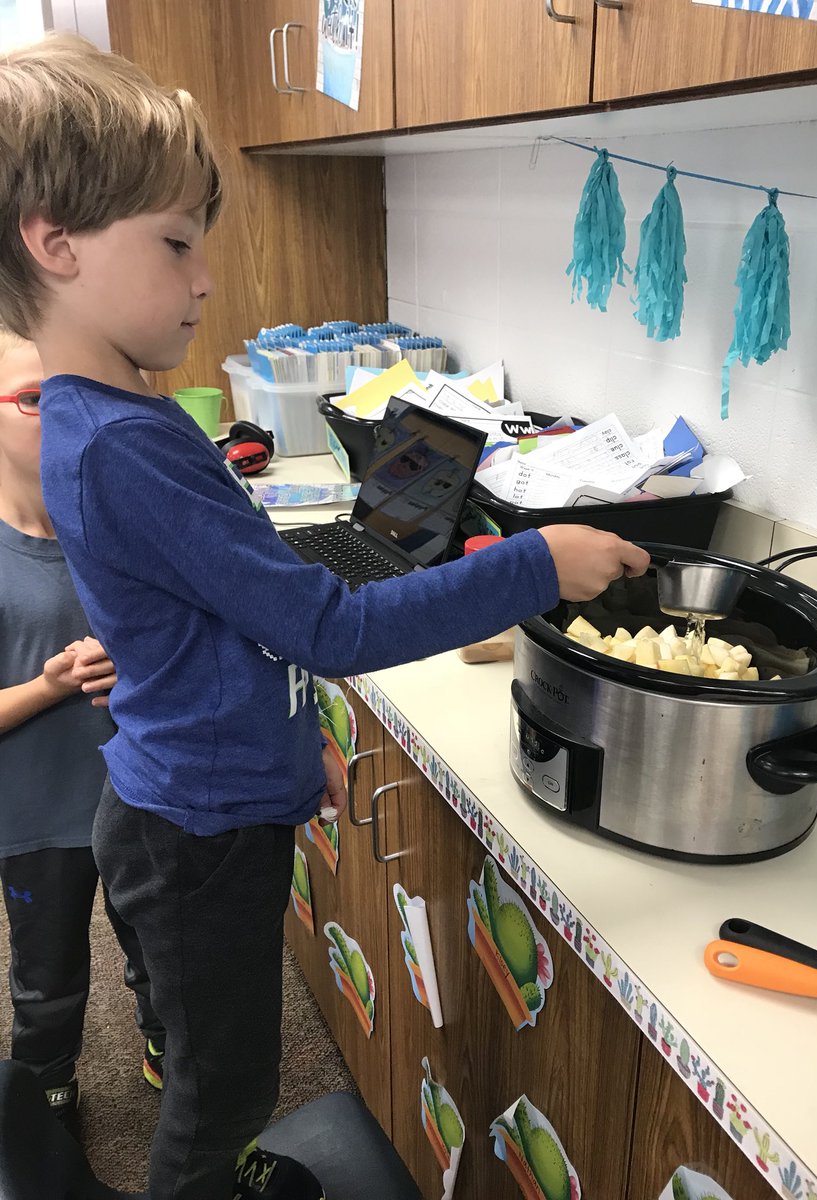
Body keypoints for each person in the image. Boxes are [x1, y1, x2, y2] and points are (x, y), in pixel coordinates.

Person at [0, 34, 650, 1200]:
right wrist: (536, 562)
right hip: (196, 836)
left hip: (190, 796)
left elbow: (214, 630)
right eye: (177, 244)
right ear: (54, 242)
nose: (204, 279)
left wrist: (289, 749)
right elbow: (329, 630)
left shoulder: (101, 421)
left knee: (218, 1054)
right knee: (223, 1087)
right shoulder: (130, 443)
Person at [0, 329, 166, 1134]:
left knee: (159, 951)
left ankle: (167, 1049)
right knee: (49, 974)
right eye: (33, 400)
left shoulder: (113, 519)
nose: (58, 417)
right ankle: (46, 1097)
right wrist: (47, 685)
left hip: (140, 794)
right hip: (39, 817)